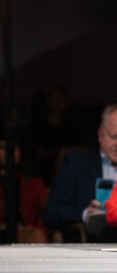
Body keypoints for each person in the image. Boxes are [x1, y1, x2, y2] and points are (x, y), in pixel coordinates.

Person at [42, 104, 117, 242]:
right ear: (100, 135)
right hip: (91, 246)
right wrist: (85, 214)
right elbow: (51, 213)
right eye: (113, 137)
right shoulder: (77, 164)